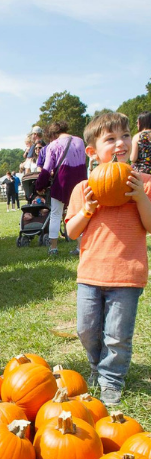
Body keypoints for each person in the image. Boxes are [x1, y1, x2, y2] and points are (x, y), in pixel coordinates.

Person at [64, 112, 151, 405]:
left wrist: (140, 197)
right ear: (92, 151)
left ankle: (111, 379)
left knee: (117, 336)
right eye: (110, 139)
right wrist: (87, 209)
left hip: (127, 274)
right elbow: (71, 231)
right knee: (86, 329)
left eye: (125, 136)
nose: (120, 143)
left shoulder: (143, 183)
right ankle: (96, 367)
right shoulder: (84, 188)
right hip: (90, 273)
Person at [35, 121, 88, 255]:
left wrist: (39, 186)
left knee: (56, 214)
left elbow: (46, 169)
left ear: (52, 134)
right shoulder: (80, 141)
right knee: (79, 214)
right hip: (80, 181)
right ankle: (80, 246)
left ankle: (53, 247)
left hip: (61, 182)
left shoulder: (53, 145)